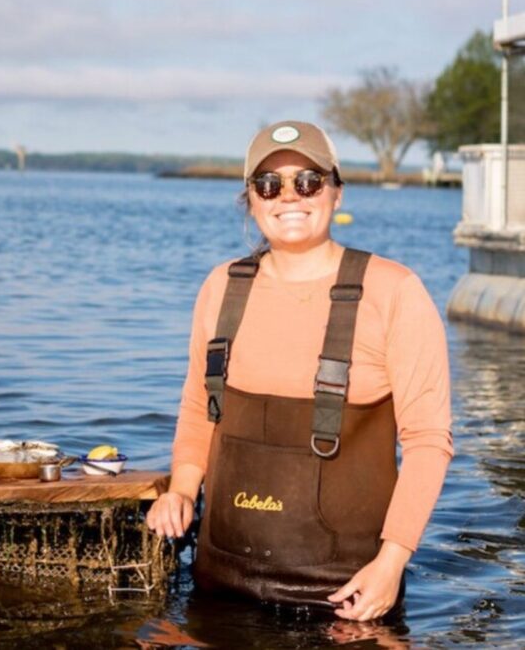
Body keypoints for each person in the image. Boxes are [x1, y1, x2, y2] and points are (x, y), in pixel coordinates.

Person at [146, 121, 453, 622]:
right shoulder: (221, 287)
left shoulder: (394, 292)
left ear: (336, 192)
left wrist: (392, 563)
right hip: (218, 592)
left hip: (349, 603)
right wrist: (181, 491)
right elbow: (200, 405)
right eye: (268, 185)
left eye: (307, 181)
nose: (288, 196)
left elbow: (428, 441)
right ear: (250, 199)